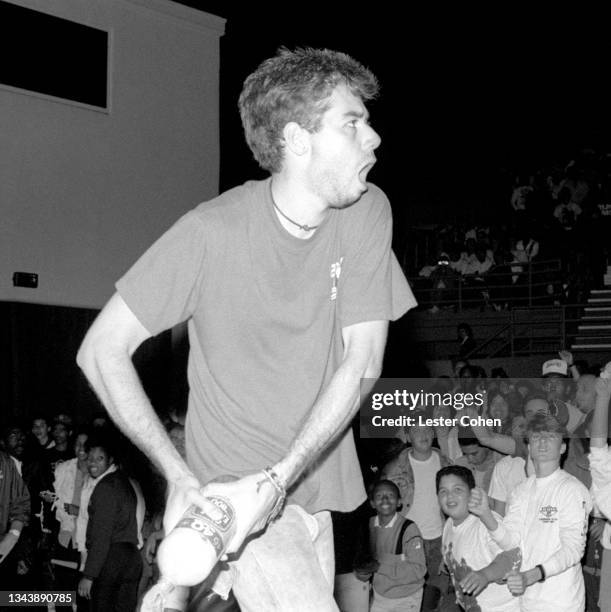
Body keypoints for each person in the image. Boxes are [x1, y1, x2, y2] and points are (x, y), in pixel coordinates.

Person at [76, 47, 414, 611]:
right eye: (353, 123)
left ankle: (180, 590)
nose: (373, 137)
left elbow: (363, 362)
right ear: (297, 140)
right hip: (235, 484)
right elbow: (100, 350)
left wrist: (282, 480)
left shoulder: (366, 211)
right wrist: (178, 475)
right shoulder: (210, 232)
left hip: (312, 485)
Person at [469, 414, 591, 611]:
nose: (542, 442)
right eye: (536, 437)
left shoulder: (572, 489)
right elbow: (511, 541)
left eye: (550, 437)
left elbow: (574, 549)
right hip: (528, 599)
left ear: (563, 447)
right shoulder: (520, 491)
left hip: (562, 601)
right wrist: (486, 515)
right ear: (529, 446)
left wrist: (533, 575)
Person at [381, 420, 450, 610]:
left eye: (427, 429)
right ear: (407, 436)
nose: (423, 434)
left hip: (440, 541)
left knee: (435, 601)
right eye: (416, 430)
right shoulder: (394, 469)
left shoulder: (446, 463)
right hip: (408, 544)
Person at [437, 465, 520, 612]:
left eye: (457, 490)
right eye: (443, 491)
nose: (449, 496)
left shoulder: (486, 522)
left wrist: (484, 575)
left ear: (472, 493)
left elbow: (512, 555)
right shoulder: (449, 524)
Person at [77, 436, 142, 611]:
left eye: (100, 458)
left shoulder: (106, 487)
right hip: (132, 558)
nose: (93, 463)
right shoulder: (124, 481)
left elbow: (101, 535)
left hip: (112, 558)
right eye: (90, 458)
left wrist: (89, 575)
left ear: (110, 459)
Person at [368, 479, 426, 612]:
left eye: (390, 495)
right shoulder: (369, 526)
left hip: (406, 596)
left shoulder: (408, 529)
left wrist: (379, 567)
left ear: (399, 502)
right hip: (379, 595)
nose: (385, 499)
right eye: (379, 496)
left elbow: (418, 569)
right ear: (372, 503)